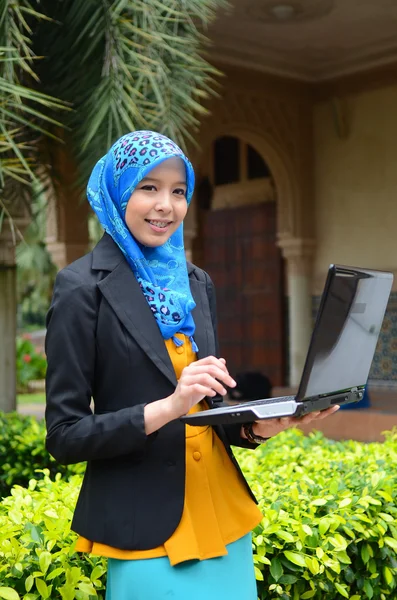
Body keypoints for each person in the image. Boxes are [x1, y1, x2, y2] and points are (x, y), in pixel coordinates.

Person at [45, 130, 339, 600]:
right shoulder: (82, 288)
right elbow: (64, 435)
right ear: (119, 190)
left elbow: (212, 411)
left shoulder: (195, 282)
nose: (166, 205)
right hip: (146, 529)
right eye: (149, 187)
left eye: (179, 191)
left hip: (225, 517)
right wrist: (170, 405)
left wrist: (270, 424)